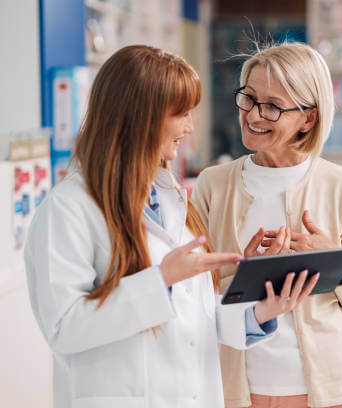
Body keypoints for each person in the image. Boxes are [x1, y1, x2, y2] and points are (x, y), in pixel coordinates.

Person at [24, 45, 318, 408]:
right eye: (180, 114)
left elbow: (193, 315)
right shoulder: (69, 208)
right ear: (139, 117)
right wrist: (161, 279)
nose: (190, 127)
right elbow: (63, 329)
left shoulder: (169, 199)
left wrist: (262, 311)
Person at [190, 42, 342, 408]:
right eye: (248, 98)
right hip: (233, 393)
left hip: (328, 396)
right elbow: (193, 300)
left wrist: (339, 265)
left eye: (273, 106)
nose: (253, 115)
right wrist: (242, 273)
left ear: (309, 118)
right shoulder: (213, 185)